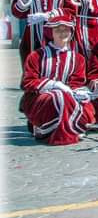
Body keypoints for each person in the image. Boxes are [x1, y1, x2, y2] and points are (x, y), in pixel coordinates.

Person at [21, 13, 92, 145]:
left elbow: (76, 83)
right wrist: (54, 85)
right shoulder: (36, 55)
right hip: (39, 99)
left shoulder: (78, 59)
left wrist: (80, 91)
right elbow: (28, 82)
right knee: (58, 96)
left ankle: (66, 127)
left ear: (71, 33)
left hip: (68, 97)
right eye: (57, 30)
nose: (62, 33)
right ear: (51, 33)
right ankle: (62, 129)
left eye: (66, 30)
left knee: (81, 101)